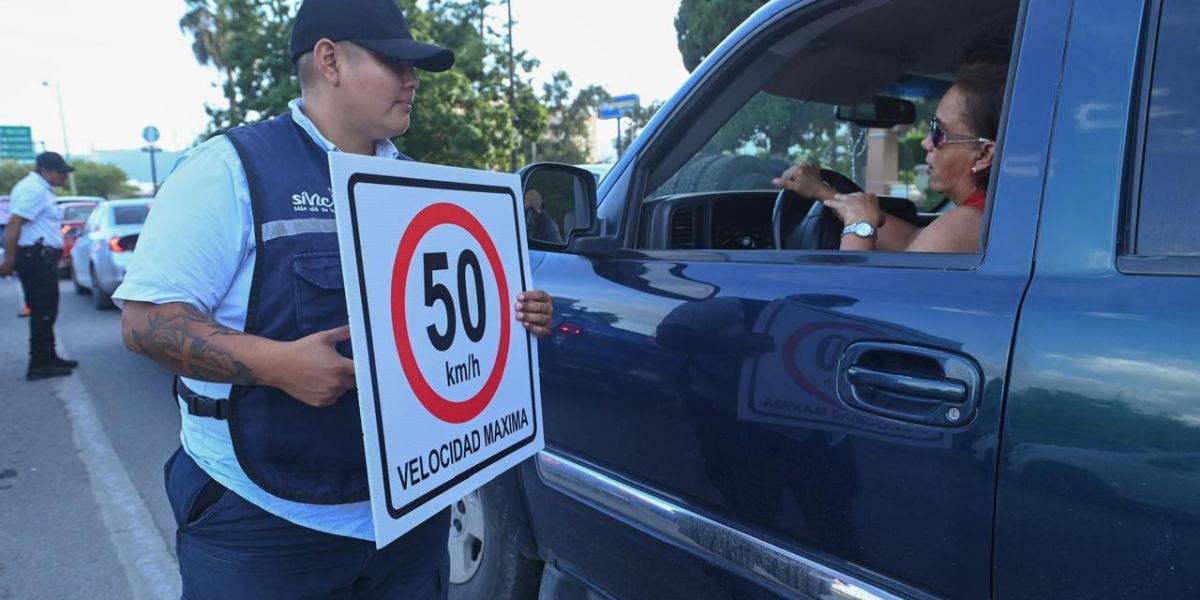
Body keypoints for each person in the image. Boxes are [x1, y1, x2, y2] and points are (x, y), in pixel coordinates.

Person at [114, 0, 554, 596]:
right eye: (394, 62)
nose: (412, 79)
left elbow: (443, 324)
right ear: (329, 61)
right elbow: (145, 323)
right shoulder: (229, 169)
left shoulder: (421, 185)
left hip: (411, 517)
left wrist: (515, 313)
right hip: (264, 522)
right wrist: (277, 365)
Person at [773, 60, 1007, 252]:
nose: (926, 143)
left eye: (938, 133)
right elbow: (912, 240)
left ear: (983, 154)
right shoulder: (989, 215)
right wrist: (822, 191)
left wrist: (859, 227)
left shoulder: (968, 223)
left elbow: (854, 292)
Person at [0, 152, 79, 380]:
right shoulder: (33, 190)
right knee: (43, 311)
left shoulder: (40, 188)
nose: (64, 177)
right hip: (35, 258)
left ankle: (48, 356)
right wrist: (9, 260)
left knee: (46, 310)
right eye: (61, 172)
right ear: (45, 170)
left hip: (39, 257)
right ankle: (40, 363)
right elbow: (14, 224)